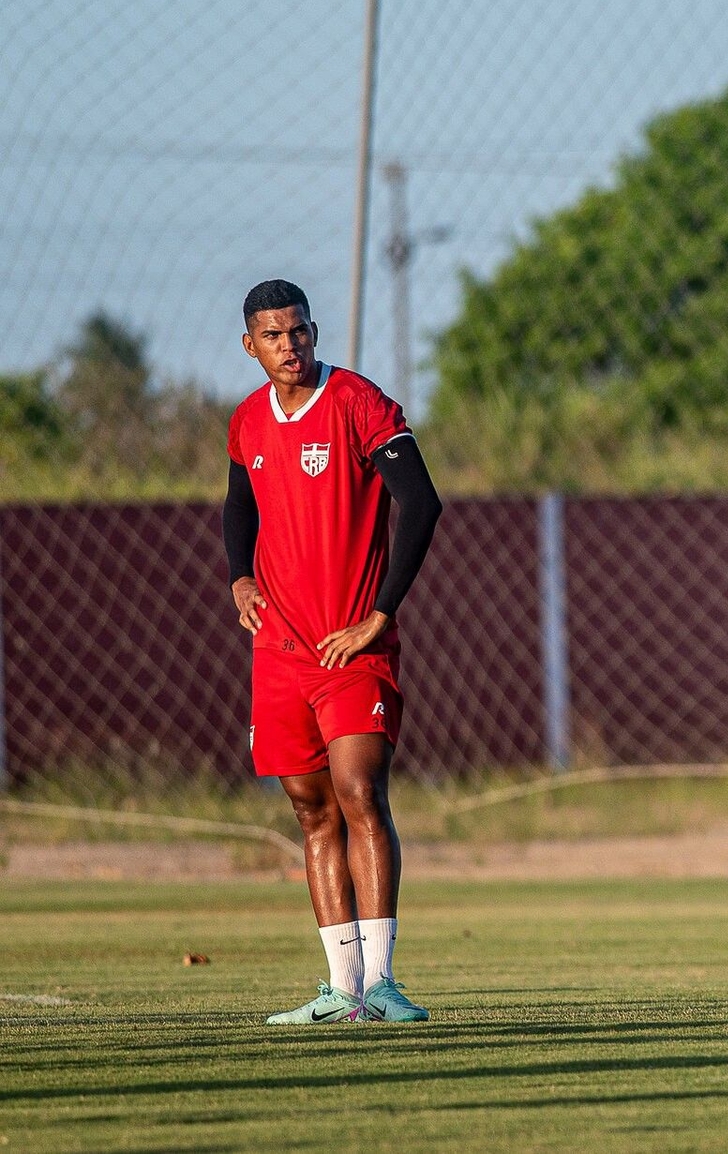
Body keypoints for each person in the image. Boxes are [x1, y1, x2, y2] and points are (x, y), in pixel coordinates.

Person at [223, 279, 443, 1025]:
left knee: (359, 792)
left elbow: (421, 501)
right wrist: (240, 576)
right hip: (279, 653)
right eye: (274, 336)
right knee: (312, 812)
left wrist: (380, 613)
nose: (291, 346)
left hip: (352, 649)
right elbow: (238, 502)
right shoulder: (248, 421)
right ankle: (340, 989)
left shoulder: (357, 403)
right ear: (250, 345)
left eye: (300, 331)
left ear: (314, 333)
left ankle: (381, 984)